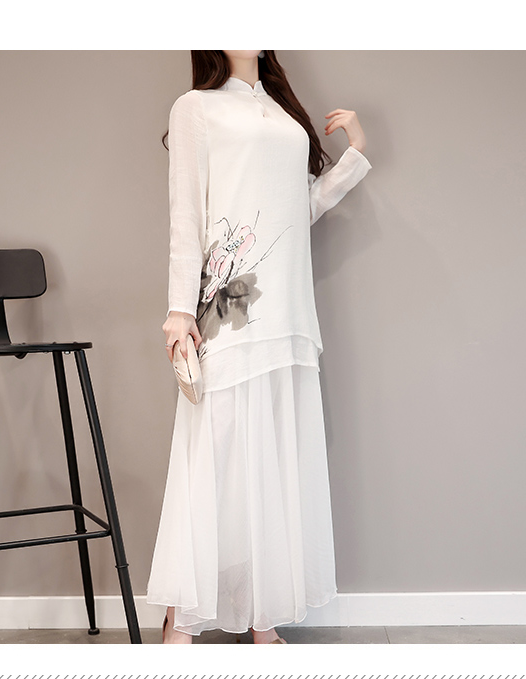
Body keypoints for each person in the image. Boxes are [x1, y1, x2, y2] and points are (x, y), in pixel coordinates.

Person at [146, 50, 372, 644]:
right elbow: (186, 216)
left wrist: (354, 155)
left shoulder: (283, 113)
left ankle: (260, 614)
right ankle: (182, 617)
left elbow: (300, 208)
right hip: (231, 306)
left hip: (289, 307)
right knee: (216, 456)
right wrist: (178, 311)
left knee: (273, 459)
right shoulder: (195, 108)